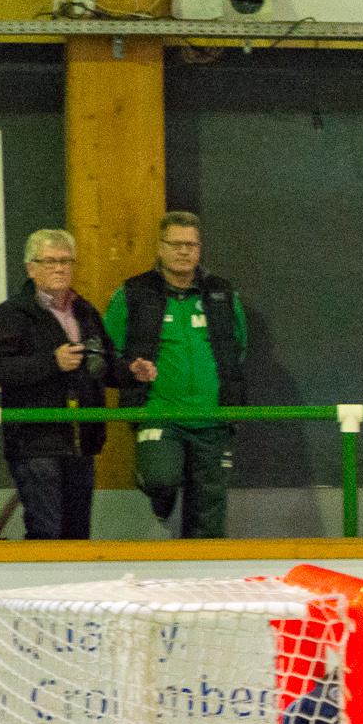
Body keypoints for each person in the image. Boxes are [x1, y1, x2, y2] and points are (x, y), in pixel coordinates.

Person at [103, 211, 245, 539]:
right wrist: (130, 371)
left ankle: (204, 582)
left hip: (213, 418)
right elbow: (110, 352)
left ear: (200, 248)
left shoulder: (221, 294)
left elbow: (239, 347)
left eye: (191, 245)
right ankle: (162, 504)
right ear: (160, 247)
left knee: (210, 518)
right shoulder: (133, 294)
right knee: (160, 479)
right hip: (159, 415)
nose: (184, 251)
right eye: (176, 244)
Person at [0, 228, 117, 541]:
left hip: (81, 439)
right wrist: (51, 363)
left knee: (78, 534)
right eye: (50, 262)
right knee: (47, 532)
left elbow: (104, 362)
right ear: (31, 268)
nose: (59, 268)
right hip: (35, 440)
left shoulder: (85, 311)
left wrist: (130, 370)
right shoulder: (11, 314)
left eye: (66, 261)